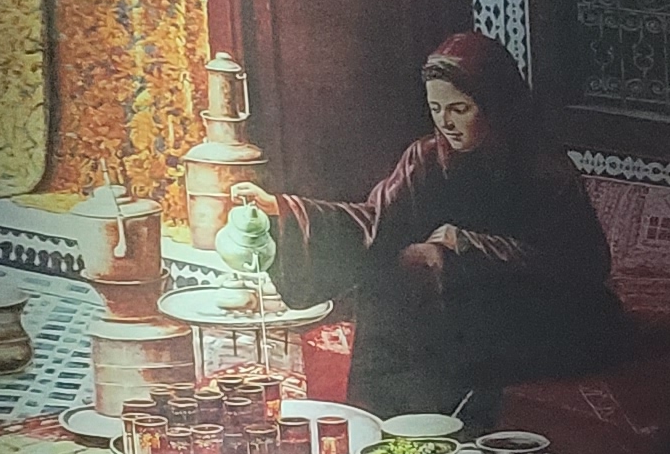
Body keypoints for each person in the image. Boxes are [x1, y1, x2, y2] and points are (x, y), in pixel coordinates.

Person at [245, 30, 626, 423]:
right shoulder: (426, 159)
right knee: (403, 264)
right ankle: (377, 415)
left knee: (431, 263)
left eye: (460, 109)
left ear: (494, 106)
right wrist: (282, 210)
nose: (446, 123)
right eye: (436, 109)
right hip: (456, 308)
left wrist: (468, 246)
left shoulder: (544, 169)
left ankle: (446, 417)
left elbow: (580, 264)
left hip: (538, 313)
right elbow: (375, 224)